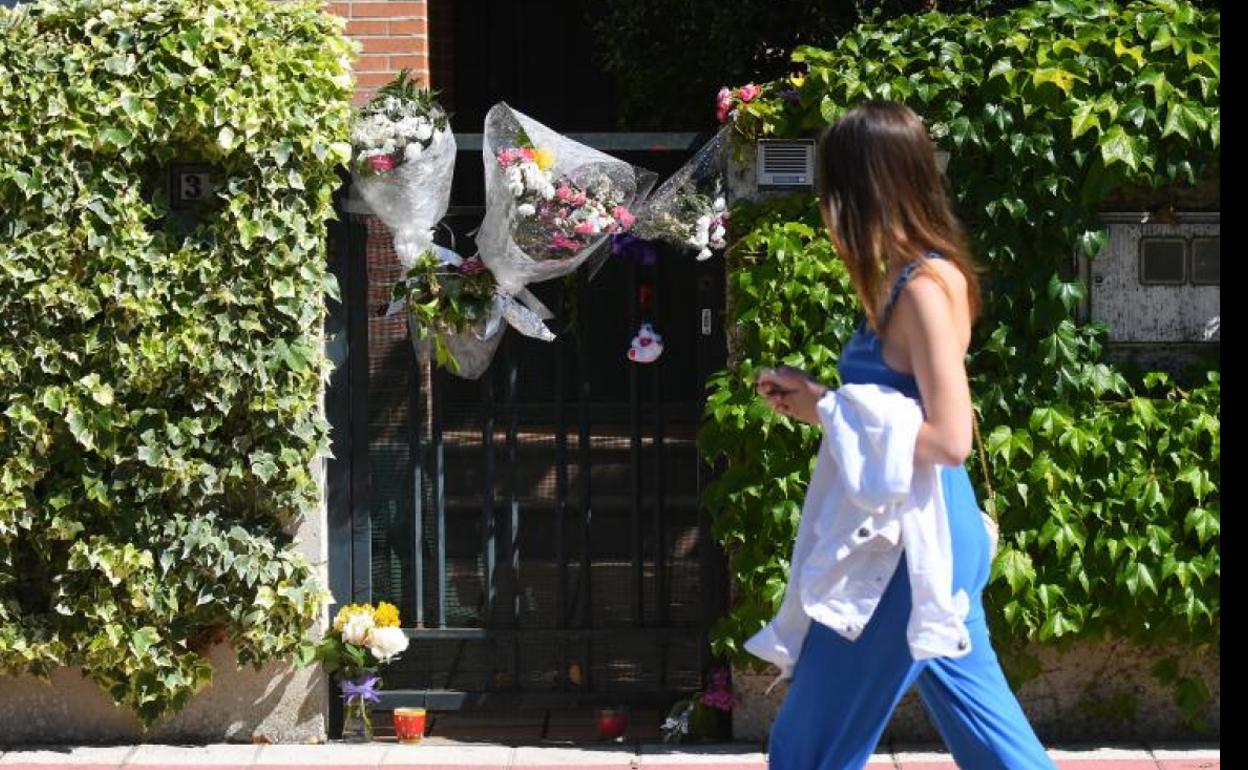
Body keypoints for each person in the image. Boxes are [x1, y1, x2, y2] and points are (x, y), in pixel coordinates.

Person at [754, 101, 1056, 770]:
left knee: (807, 749)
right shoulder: (903, 279)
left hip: (907, 555)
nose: (825, 206)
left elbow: (949, 434)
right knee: (994, 744)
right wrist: (820, 405)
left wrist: (828, 408)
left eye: (831, 190)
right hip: (931, 539)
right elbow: (890, 413)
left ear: (864, 189)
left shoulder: (920, 288)